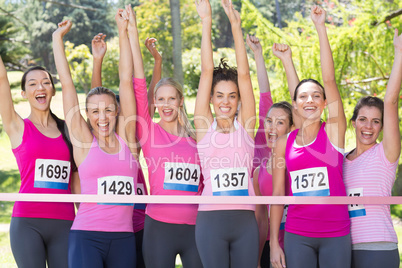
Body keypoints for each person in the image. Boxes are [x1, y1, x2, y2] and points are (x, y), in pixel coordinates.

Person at [53, 6, 140, 267]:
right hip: (86, 237)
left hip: (124, 238)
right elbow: (67, 85)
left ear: (117, 111)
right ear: (87, 114)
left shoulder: (128, 138)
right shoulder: (82, 140)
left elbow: (126, 81)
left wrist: (122, 33)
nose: (102, 118)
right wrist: (57, 40)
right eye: (94, 112)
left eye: (108, 110)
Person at [270, 6, 351, 268]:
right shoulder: (284, 142)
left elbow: (329, 80)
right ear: (295, 104)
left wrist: (320, 27)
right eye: (303, 96)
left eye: (316, 96)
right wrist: (274, 242)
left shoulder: (335, 132)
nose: (310, 100)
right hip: (297, 234)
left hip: (336, 233)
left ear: (325, 103)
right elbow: (278, 195)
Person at [127, 4, 203, 268]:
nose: (166, 104)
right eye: (161, 99)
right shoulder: (149, 131)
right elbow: (138, 85)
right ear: (155, 103)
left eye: (172, 98)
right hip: (159, 227)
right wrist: (133, 31)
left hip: (197, 228)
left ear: (181, 101)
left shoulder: (197, 137)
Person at [194, 0, 258, 267]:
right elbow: (207, 70)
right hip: (210, 220)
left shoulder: (246, 126)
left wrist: (235, 25)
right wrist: (206, 20)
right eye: (219, 95)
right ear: (210, 99)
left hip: (245, 222)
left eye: (232, 96)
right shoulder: (203, 127)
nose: (225, 101)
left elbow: (244, 75)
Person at [0, 56, 78, 268]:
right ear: (24, 94)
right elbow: (1, 79)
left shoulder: (69, 130)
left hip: (65, 222)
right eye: (32, 84)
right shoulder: (17, 127)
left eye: (45, 82)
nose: (40, 87)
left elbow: (76, 181)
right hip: (27, 222)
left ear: (52, 90)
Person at [343, 29, 402, 268]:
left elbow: (390, 100)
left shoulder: (386, 153)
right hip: (343, 249)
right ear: (353, 122)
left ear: (383, 127)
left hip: (378, 247)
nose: (368, 126)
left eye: (376, 121)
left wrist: (399, 54)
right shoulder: (341, 160)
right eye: (363, 119)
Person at [249, 38, 300, 268]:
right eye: (268, 121)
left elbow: (298, 107)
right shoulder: (259, 171)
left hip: (300, 243)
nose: (271, 127)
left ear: (291, 128)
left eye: (279, 123)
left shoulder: (301, 160)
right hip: (271, 249)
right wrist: (258, 254)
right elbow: (261, 218)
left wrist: (287, 62)